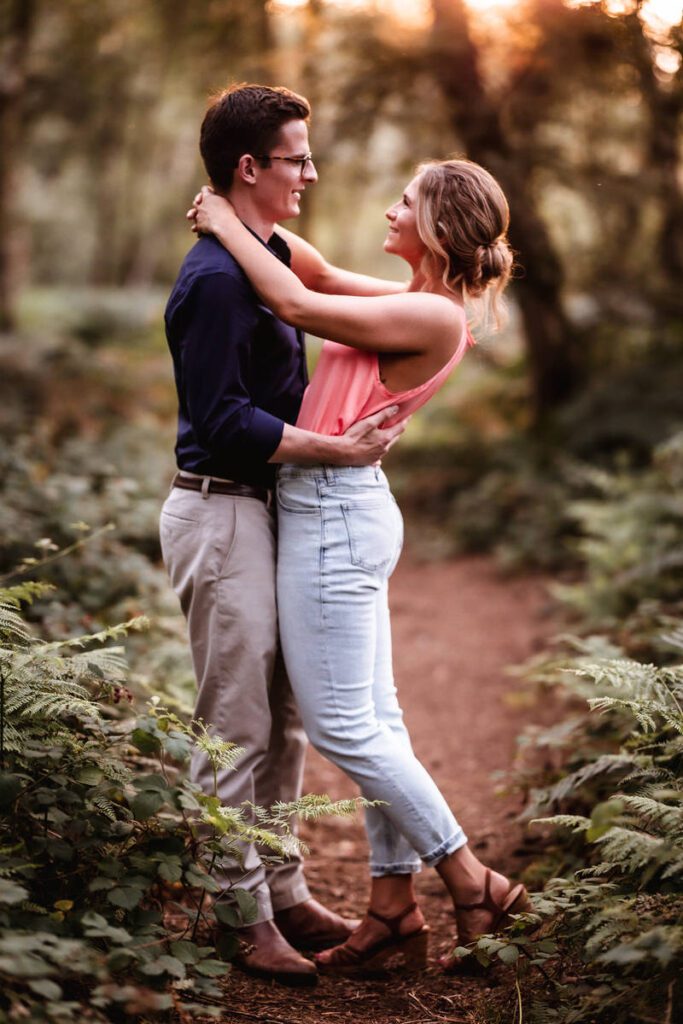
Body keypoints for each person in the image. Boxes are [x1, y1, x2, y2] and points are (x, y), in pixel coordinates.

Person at [190, 156, 533, 975]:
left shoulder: (433, 319)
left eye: (405, 202)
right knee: (376, 724)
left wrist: (219, 222)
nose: (389, 208)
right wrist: (243, 211)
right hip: (337, 508)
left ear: (439, 228)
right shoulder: (413, 300)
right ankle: (391, 904)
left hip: (333, 517)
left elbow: (293, 300)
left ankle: (470, 879)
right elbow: (311, 268)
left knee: (345, 726)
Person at [160, 83, 410, 988]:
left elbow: (328, 294)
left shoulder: (259, 253)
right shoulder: (220, 281)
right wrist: (335, 453)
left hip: (264, 511)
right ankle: (239, 916)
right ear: (249, 167)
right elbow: (224, 421)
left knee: (288, 717)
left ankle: (284, 888)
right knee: (235, 722)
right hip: (221, 507)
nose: (310, 170)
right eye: (297, 156)